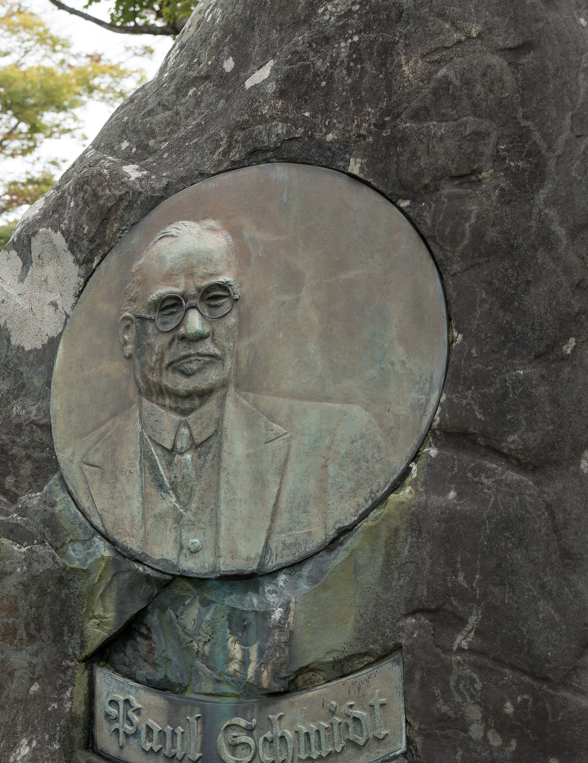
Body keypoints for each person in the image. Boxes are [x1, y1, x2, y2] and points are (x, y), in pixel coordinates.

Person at [68, 219, 385, 576]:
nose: (195, 329)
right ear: (128, 336)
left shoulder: (336, 445)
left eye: (215, 300)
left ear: (236, 314)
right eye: (168, 310)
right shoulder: (77, 467)